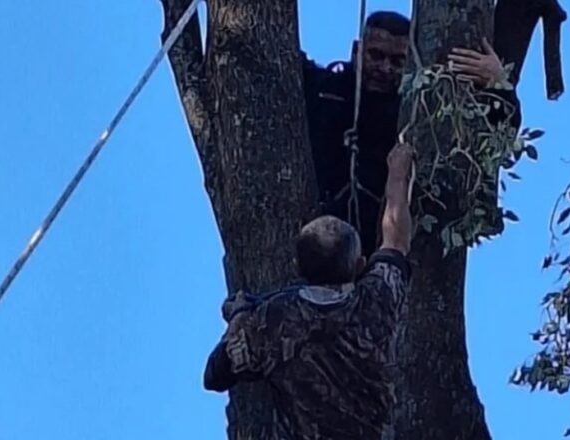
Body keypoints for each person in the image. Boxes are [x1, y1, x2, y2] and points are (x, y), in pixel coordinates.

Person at [204, 143, 416, 439]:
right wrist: (397, 174)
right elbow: (396, 240)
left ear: (298, 265)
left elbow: (215, 374)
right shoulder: (377, 299)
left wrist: (239, 316)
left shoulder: (274, 321)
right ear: (359, 266)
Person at [301, 10, 517, 257]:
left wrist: (500, 84)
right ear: (356, 51)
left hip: (382, 250)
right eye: (376, 55)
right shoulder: (323, 89)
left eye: (397, 61)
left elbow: (499, 134)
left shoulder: (418, 113)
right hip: (311, 236)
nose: (385, 68)